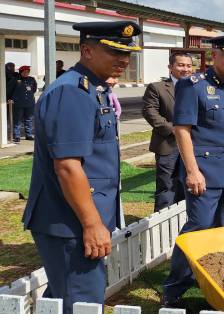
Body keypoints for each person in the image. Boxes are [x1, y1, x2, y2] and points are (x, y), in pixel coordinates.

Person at [21, 21, 141, 314]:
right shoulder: (72, 92)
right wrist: (91, 224)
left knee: (63, 298)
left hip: (78, 216)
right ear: (86, 50)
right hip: (71, 221)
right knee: (81, 301)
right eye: (113, 51)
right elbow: (67, 166)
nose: (123, 59)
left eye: (127, 53)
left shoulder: (92, 87)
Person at [162, 34, 224, 306]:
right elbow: (182, 129)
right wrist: (192, 171)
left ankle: (221, 279)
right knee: (199, 226)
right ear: (214, 54)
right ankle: (176, 284)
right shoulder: (194, 86)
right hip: (205, 173)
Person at [142, 52, 192, 212]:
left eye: (189, 65)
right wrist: (175, 130)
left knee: (189, 184)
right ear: (170, 67)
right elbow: (150, 112)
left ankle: (184, 221)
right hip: (168, 145)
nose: (185, 69)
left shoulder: (198, 86)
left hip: (193, 146)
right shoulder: (157, 88)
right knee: (167, 187)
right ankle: (163, 228)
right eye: (181, 65)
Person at [7, 65, 37, 142]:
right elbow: (9, 90)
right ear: (21, 72)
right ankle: (17, 135)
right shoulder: (15, 79)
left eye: (27, 72)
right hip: (18, 103)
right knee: (17, 120)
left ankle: (29, 134)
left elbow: (34, 89)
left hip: (29, 103)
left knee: (29, 119)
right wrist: (10, 99)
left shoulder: (31, 79)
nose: (26, 73)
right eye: (24, 72)